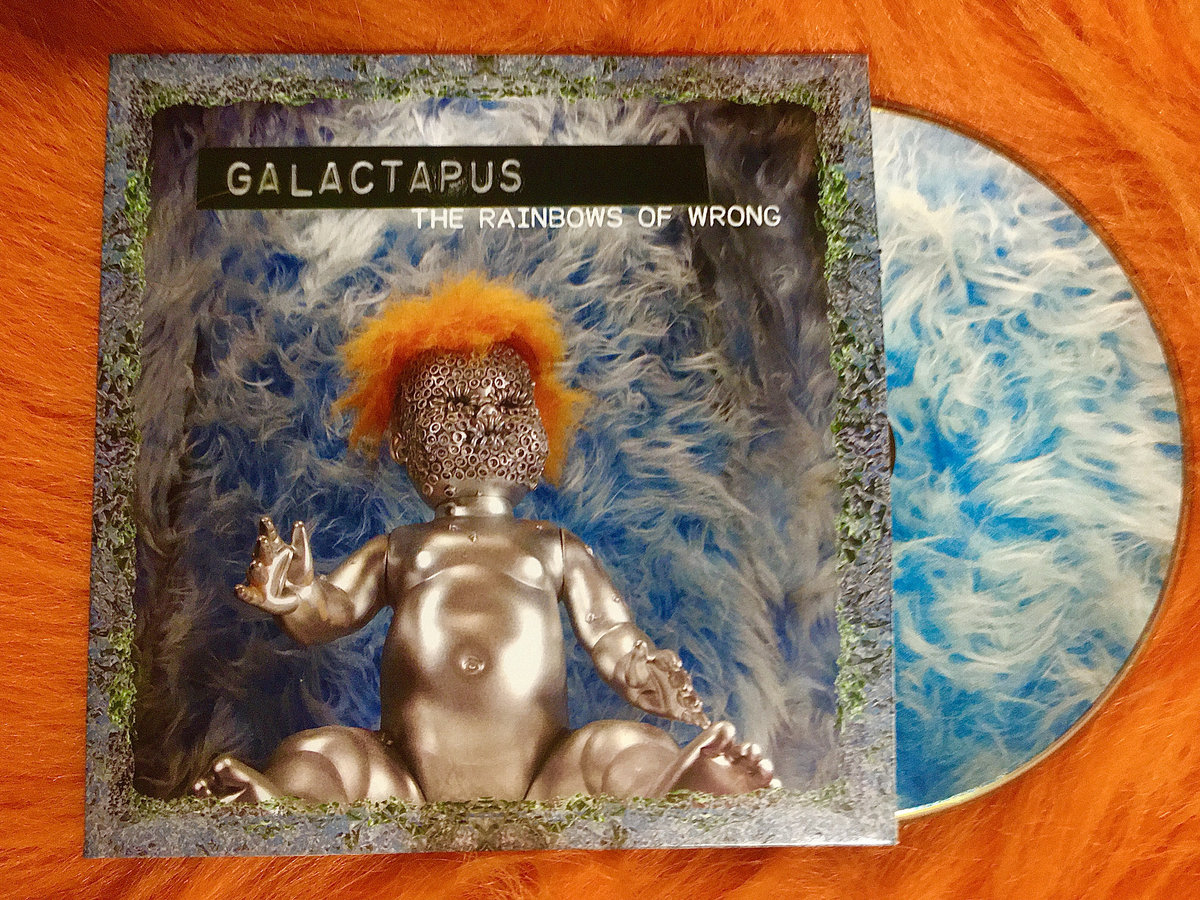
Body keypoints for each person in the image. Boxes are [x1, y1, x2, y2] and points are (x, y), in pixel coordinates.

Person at [194, 275, 778, 804]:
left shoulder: (552, 546)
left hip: (545, 776)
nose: (485, 419)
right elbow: (336, 608)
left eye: (509, 404)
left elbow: (608, 631)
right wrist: (300, 598)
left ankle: (668, 786)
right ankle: (289, 804)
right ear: (401, 441)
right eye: (454, 405)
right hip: (407, 780)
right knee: (322, 753)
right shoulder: (402, 548)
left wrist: (637, 666)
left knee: (624, 744)